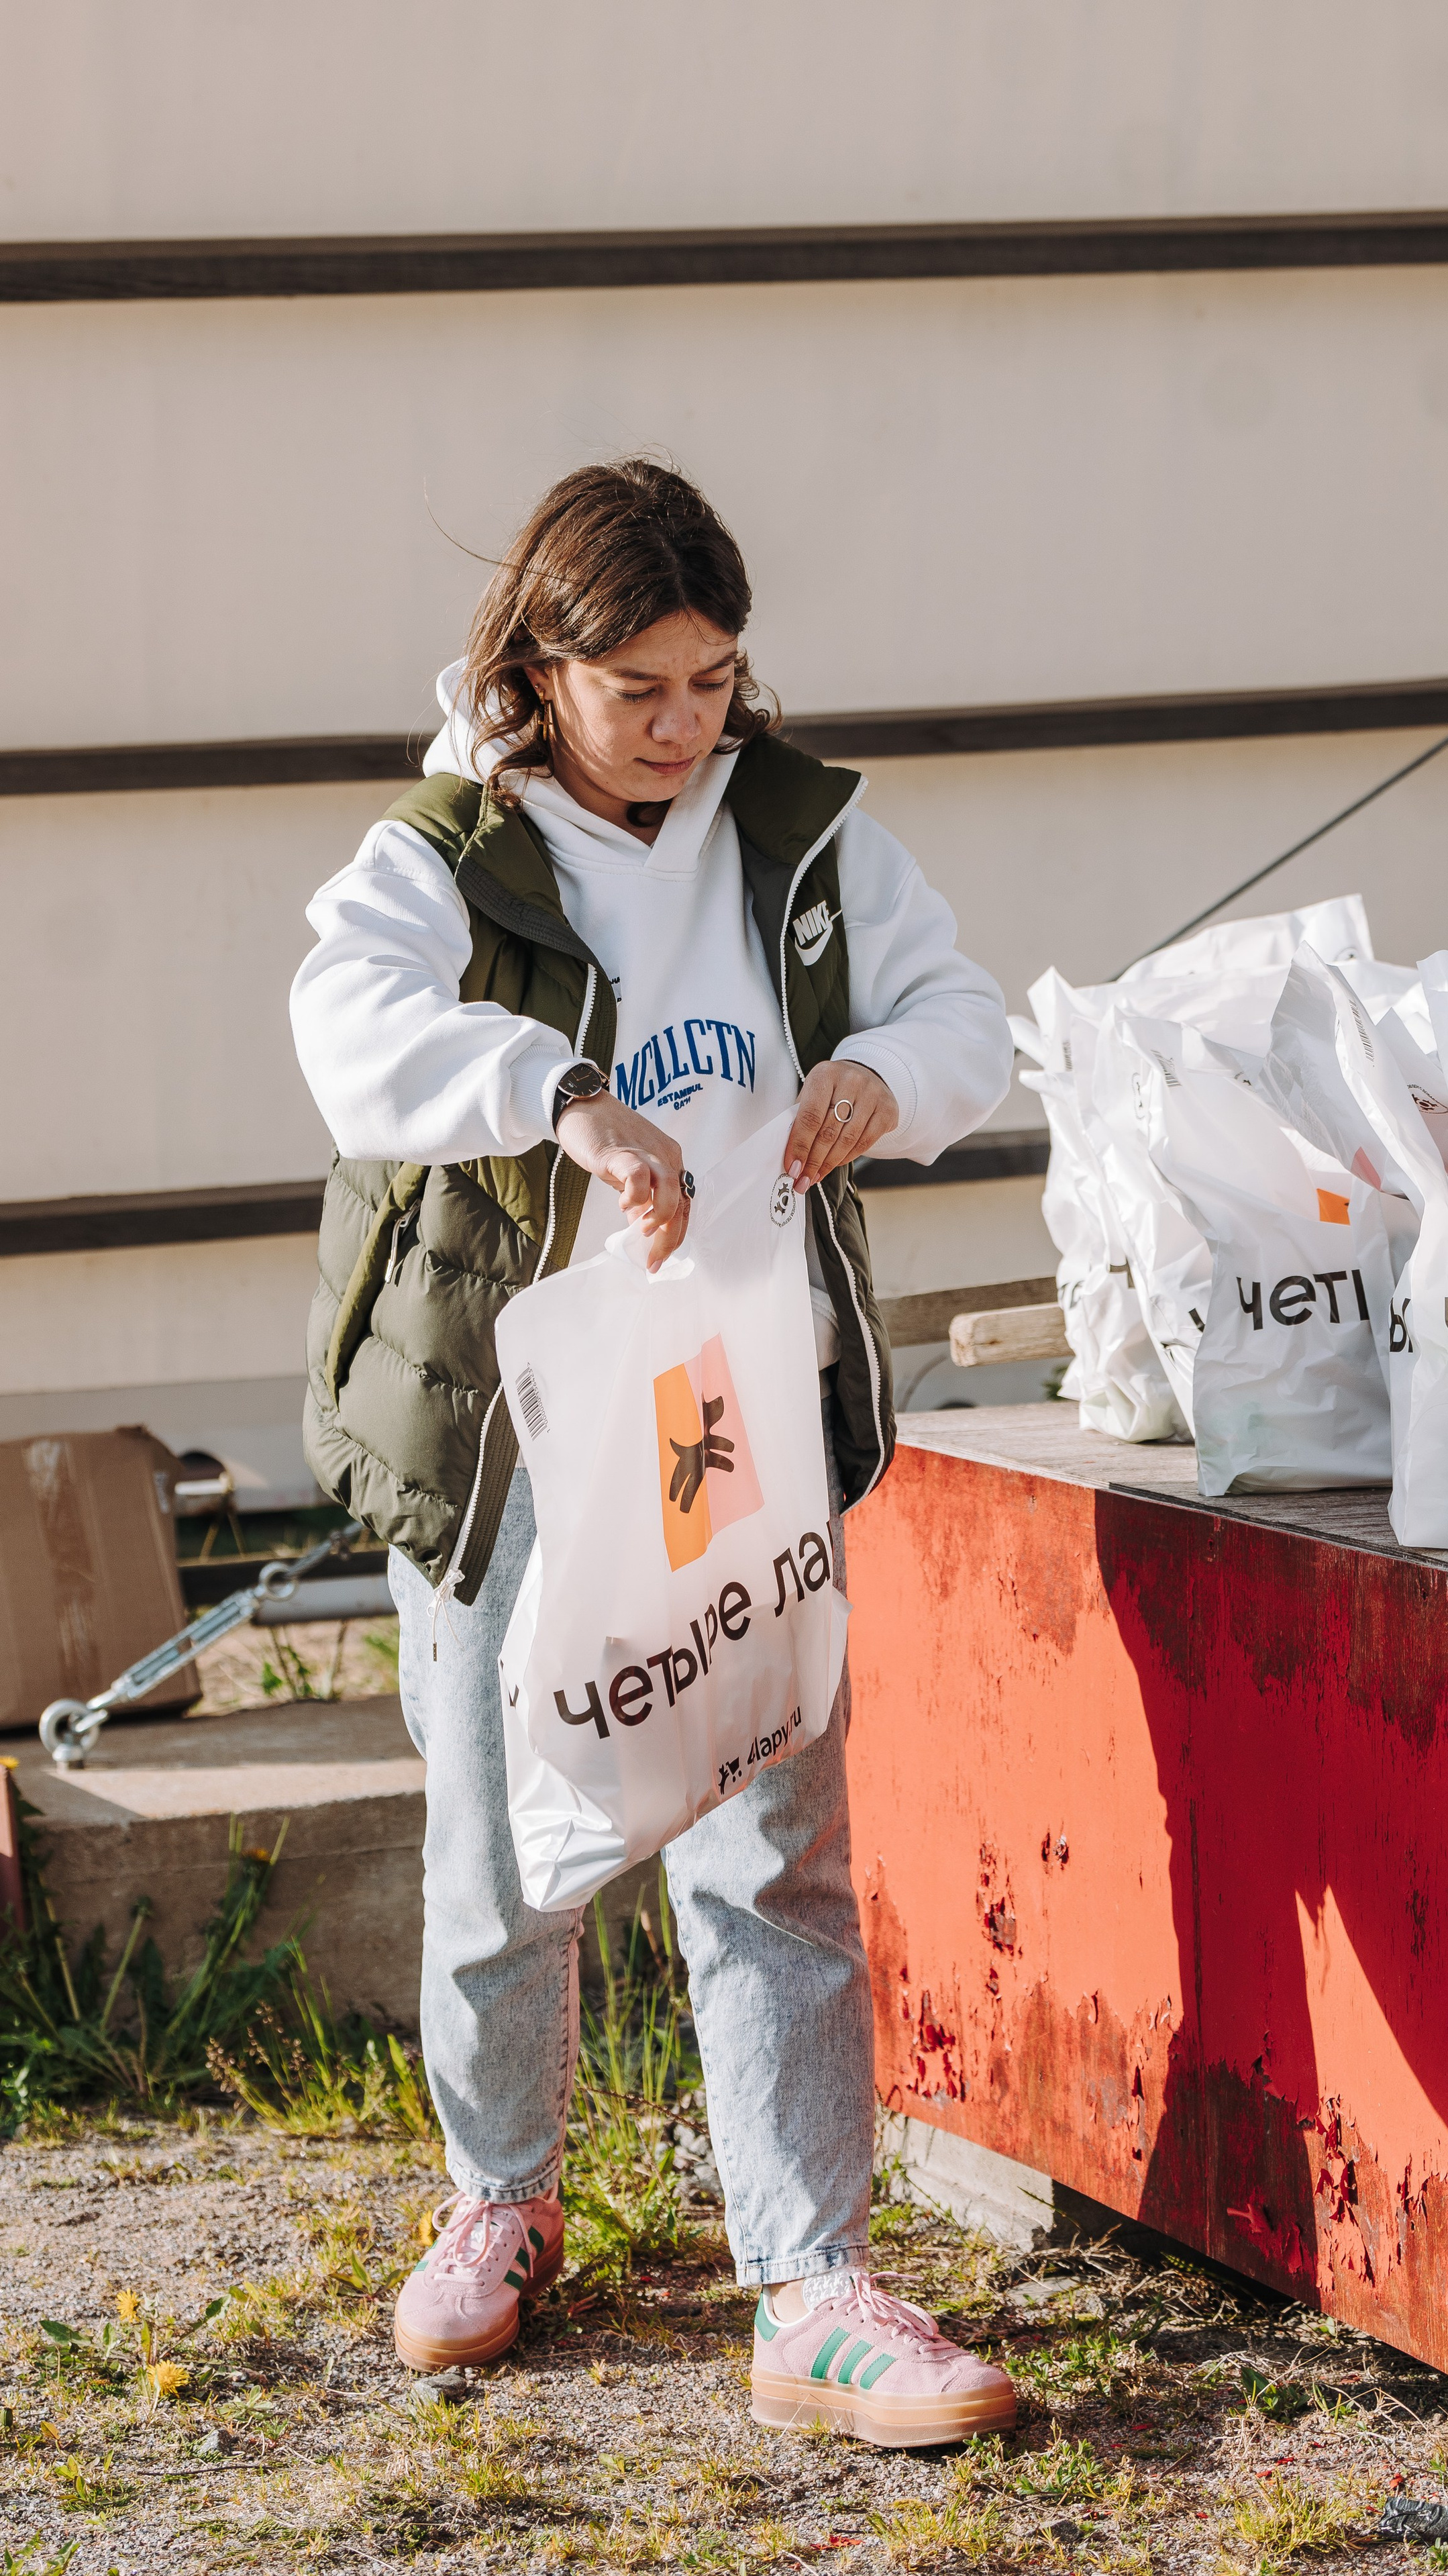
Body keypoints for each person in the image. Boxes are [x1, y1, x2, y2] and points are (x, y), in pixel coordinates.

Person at [289, 460, 1019, 2446]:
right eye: (642, 687)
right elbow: (342, 1023)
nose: (686, 722)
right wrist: (554, 1098)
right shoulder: (445, 847)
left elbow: (970, 1012)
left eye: (713, 680)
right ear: (542, 665)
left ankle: (810, 2279)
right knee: (501, 1856)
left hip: (743, 1420)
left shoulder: (804, 831)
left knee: (774, 1840)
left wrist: (890, 1075)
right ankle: (499, 2199)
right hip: (519, 1448)